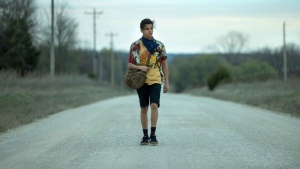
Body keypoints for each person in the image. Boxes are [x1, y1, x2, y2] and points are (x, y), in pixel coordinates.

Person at [128, 18, 169, 145]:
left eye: (151, 28)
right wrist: (140, 67)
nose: (150, 31)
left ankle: (153, 134)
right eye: (147, 29)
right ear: (141, 30)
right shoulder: (135, 46)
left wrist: (167, 82)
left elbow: (164, 64)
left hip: (156, 79)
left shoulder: (159, 46)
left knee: (154, 106)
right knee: (144, 108)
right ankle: (145, 136)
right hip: (142, 80)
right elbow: (130, 64)